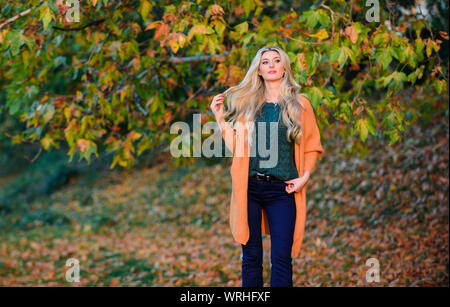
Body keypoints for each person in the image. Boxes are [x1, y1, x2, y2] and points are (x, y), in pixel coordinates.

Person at [209, 45, 324, 287]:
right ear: (258, 71)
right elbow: (238, 148)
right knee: (251, 258)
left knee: (282, 258)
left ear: (284, 68)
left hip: (283, 190)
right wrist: (220, 118)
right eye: (265, 62)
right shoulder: (250, 106)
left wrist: (305, 177)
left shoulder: (300, 105)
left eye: (276, 61)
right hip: (250, 189)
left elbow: (312, 145)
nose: (271, 65)